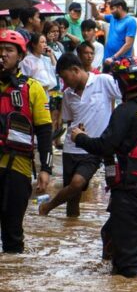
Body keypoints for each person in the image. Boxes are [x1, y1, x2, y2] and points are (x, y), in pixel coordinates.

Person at [70, 57, 137, 277]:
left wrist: (79, 137)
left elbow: (105, 146)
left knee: (129, 266)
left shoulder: (126, 110)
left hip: (130, 194)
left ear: (122, 83)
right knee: (111, 236)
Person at [40, 53, 121, 217]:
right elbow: (70, 122)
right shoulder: (68, 94)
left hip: (92, 148)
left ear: (75, 70)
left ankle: (48, 206)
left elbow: (124, 96)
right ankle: (71, 233)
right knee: (72, 199)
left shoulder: (103, 81)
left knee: (76, 184)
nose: (64, 83)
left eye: (65, 77)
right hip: (71, 149)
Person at [0, 30, 53, 253]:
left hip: (17, 168)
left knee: (12, 231)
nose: (2, 55)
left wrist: (46, 169)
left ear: (20, 56)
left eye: (8, 51)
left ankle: (13, 276)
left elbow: (44, 131)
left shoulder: (33, 88)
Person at [89, 0, 137, 66]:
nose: (111, 11)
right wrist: (93, 6)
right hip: (107, 59)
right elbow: (96, 16)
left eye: (112, 8)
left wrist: (114, 58)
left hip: (120, 62)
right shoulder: (113, 18)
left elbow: (128, 44)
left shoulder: (130, 21)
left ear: (120, 8)